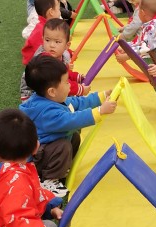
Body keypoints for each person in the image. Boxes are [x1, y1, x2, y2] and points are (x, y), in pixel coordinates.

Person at [20, 55, 117, 196]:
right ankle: (49, 180)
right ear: (52, 91)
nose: (70, 85)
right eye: (66, 82)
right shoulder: (47, 113)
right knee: (62, 146)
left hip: (45, 150)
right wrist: (100, 111)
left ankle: (60, 168)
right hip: (35, 160)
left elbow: (77, 103)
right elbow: (72, 120)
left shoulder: (52, 99)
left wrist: (101, 96)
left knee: (74, 137)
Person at [19, 18, 86, 102]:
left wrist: (77, 76)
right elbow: (60, 82)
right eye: (47, 40)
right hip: (32, 95)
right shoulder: (45, 60)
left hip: (48, 90)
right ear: (43, 39)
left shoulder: (63, 54)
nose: (52, 45)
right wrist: (80, 89)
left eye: (57, 42)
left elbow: (63, 73)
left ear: (67, 45)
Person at [21, 0, 60, 65]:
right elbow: (42, 54)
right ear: (51, 12)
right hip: (35, 64)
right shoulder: (41, 30)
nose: (60, 12)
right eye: (58, 9)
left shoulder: (47, 26)